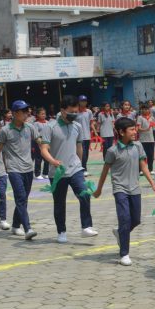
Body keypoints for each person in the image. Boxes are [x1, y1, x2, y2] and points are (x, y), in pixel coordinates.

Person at [94, 117, 155, 266]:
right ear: (121, 132)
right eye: (131, 129)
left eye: (134, 129)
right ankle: (124, 253)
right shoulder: (112, 151)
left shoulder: (138, 146)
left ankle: (120, 232)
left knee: (135, 220)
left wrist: (152, 184)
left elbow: (143, 166)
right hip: (120, 189)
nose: (135, 132)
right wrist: (98, 189)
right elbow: (105, 171)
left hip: (135, 188)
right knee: (124, 218)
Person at [40, 95, 98, 243]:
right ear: (62, 110)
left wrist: (81, 163)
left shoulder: (77, 126)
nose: (74, 114)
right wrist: (53, 161)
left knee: (84, 194)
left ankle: (86, 227)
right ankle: (61, 231)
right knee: (59, 203)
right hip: (57, 172)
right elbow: (44, 149)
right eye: (71, 112)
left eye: (76, 112)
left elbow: (79, 147)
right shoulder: (50, 127)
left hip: (75, 168)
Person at [0, 100, 40, 240]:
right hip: (13, 169)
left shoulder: (30, 127)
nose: (26, 114)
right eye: (23, 111)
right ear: (15, 113)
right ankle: (28, 228)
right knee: (20, 197)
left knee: (23, 199)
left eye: (27, 111)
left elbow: (40, 141)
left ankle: (15, 225)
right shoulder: (5, 130)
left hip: (28, 168)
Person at [136, 104, 155, 174]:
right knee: (142, 156)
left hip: (151, 139)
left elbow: (154, 127)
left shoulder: (152, 118)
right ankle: (141, 169)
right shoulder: (140, 117)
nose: (145, 110)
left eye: (147, 109)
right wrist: (146, 129)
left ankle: (150, 169)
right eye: (144, 109)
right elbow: (138, 129)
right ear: (141, 110)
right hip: (143, 140)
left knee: (150, 155)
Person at [76, 96, 93, 176]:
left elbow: (91, 122)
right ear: (78, 102)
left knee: (86, 153)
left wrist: (95, 131)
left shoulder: (89, 111)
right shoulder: (75, 111)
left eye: (85, 101)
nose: (83, 102)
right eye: (82, 101)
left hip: (87, 135)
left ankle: (83, 168)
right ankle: (83, 169)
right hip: (79, 136)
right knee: (83, 153)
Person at [33, 108, 50, 180]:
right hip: (38, 144)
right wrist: (39, 144)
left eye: (44, 114)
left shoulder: (48, 122)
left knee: (47, 159)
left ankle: (45, 173)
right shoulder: (36, 124)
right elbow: (35, 134)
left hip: (47, 143)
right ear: (38, 115)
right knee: (38, 159)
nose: (44, 115)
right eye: (42, 114)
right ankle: (37, 174)